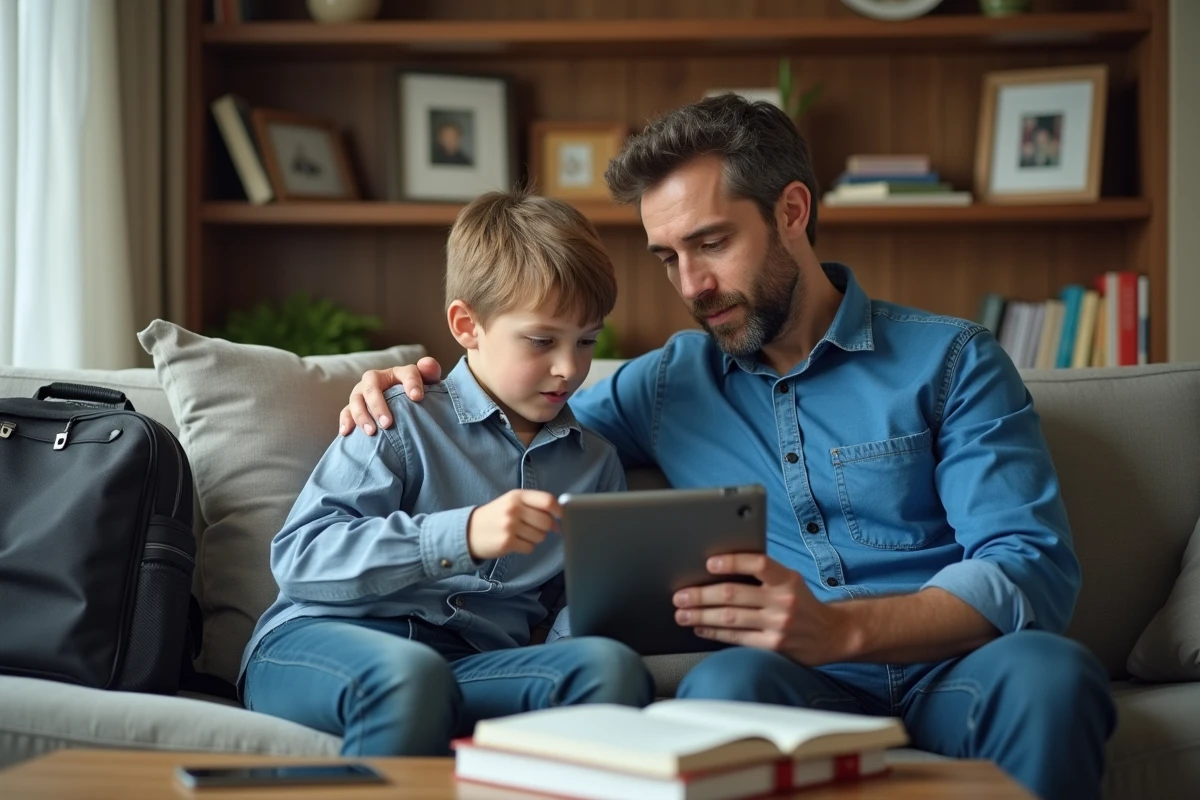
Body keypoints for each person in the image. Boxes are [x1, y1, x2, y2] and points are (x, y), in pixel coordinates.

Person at [340, 95, 1116, 799]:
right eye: (668, 257)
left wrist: (842, 628)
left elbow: (1029, 565)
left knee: (1053, 676)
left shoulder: (952, 361)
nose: (691, 285)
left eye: (710, 243)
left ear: (791, 211)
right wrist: (416, 386)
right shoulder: (671, 382)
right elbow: (521, 411)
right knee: (717, 694)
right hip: (788, 681)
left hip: (958, 670)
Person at [240, 188, 653, 757]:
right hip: (325, 642)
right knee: (409, 680)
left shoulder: (595, 464)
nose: (569, 368)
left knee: (611, 669)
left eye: (587, 341)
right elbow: (300, 559)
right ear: (467, 324)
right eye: (541, 341)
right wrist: (461, 536)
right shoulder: (398, 415)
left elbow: (581, 604)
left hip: (468, 667)